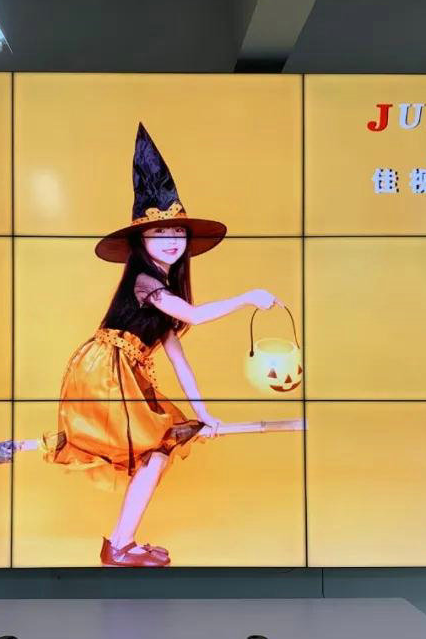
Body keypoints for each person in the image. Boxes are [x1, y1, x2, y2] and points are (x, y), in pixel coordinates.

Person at [41, 123, 281, 567]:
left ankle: (120, 543)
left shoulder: (164, 288)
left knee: (158, 454)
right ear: (140, 241)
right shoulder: (144, 281)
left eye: (177, 234)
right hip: (105, 371)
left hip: (126, 371)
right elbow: (194, 316)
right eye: (159, 235)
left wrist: (205, 413)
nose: (172, 242)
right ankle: (120, 544)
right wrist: (248, 296)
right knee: (156, 449)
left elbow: (179, 359)